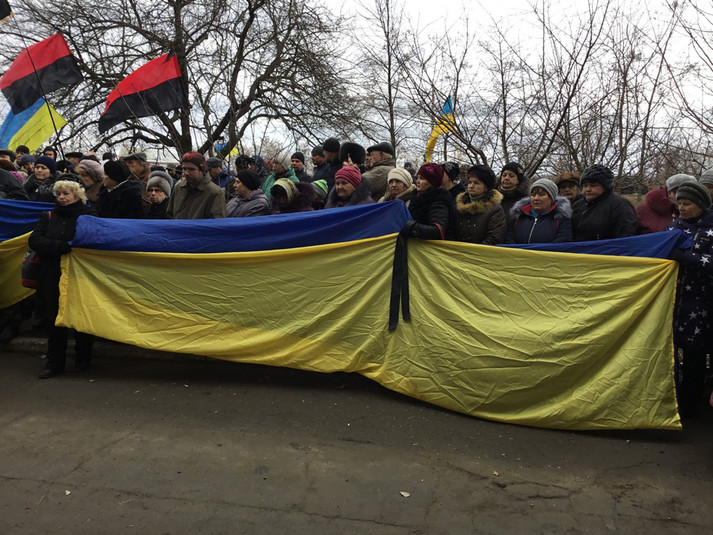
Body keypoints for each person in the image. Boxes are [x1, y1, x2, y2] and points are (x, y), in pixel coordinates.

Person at [28, 179, 97, 378]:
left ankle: (83, 357)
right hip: (51, 274)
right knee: (54, 318)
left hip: (80, 275)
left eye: (66, 193)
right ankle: (54, 362)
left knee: (81, 315)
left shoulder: (89, 216)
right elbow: (35, 239)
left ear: (77, 195)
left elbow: (92, 240)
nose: (62, 198)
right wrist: (59, 247)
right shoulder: (48, 216)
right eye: (59, 194)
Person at [666, 181, 713, 416]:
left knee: (695, 353)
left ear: (701, 205)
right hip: (673, 299)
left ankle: (690, 403)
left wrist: (684, 256)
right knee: (671, 350)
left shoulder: (710, 230)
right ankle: (670, 396)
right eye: (680, 203)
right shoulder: (673, 227)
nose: (681, 208)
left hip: (701, 301)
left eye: (687, 204)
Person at [571, 164, 636, 241]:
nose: (588, 189)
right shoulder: (577, 205)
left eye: (593, 185)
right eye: (585, 186)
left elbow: (626, 235)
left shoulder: (620, 205)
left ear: (605, 186)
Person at [507, 178, 572, 243]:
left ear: (551, 198)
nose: (536, 198)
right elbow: (508, 238)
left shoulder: (561, 218)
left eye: (541, 194)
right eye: (533, 194)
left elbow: (563, 240)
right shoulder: (518, 215)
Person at [454, 164, 505, 245]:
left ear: (486, 187)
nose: (471, 186)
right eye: (469, 182)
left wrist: (471, 250)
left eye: (476, 183)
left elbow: (494, 238)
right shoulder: (459, 207)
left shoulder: (495, 210)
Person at [400, 163, 453, 240]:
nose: (417, 181)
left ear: (432, 182)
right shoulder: (416, 198)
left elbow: (437, 231)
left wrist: (410, 228)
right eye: (417, 178)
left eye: (422, 178)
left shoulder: (439, 202)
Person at [167, 152, 226, 219]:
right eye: (184, 169)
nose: (186, 173)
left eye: (191, 169)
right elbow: (169, 215)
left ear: (201, 170)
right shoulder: (179, 188)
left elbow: (217, 221)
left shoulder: (215, 192)